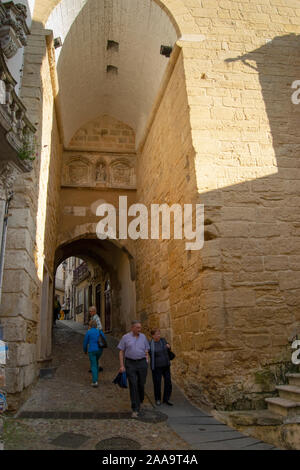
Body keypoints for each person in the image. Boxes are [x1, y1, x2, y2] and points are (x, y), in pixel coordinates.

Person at [118, 321, 150, 418]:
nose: (139, 329)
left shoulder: (143, 337)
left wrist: (147, 359)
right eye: (137, 328)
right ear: (132, 328)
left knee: (141, 384)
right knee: (133, 384)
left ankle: (140, 399)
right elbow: (121, 352)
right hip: (130, 363)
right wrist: (122, 365)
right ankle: (135, 408)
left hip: (142, 363)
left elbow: (146, 349)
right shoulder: (125, 337)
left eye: (140, 328)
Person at [149, 328, 173, 406]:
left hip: (166, 365)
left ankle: (166, 399)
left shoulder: (163, 340)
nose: (159, 335)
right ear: (153, 335)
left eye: (159, 333)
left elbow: (168, 348)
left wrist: (169, 346)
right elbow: (148, 353)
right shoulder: (150, 344)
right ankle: (158, 399)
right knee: (157, 383)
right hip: (156, 367)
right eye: (157, 334)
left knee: (168, 382)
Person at [83, 320, 106, 387]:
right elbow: (104, 339)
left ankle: (95, 381)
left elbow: (85, 343)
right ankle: (96, 377)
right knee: (96, 363)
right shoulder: (99, 331)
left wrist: (85, 350)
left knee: (93, 365)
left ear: (90, 325)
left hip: (92, 350)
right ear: (96, 325)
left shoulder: (89, 332)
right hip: (99, 350)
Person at [88, 306, 104, 372]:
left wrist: (93, 331)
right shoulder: (93, 317)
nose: (90, 312)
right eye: (89, 311)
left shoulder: (96, 318)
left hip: (95, 338)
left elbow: (100, 327)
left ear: (94, 311)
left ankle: (95, 367)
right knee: (96, 352)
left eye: (91, 311)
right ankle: (99, 366)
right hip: (94, 338)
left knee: (93, 352)